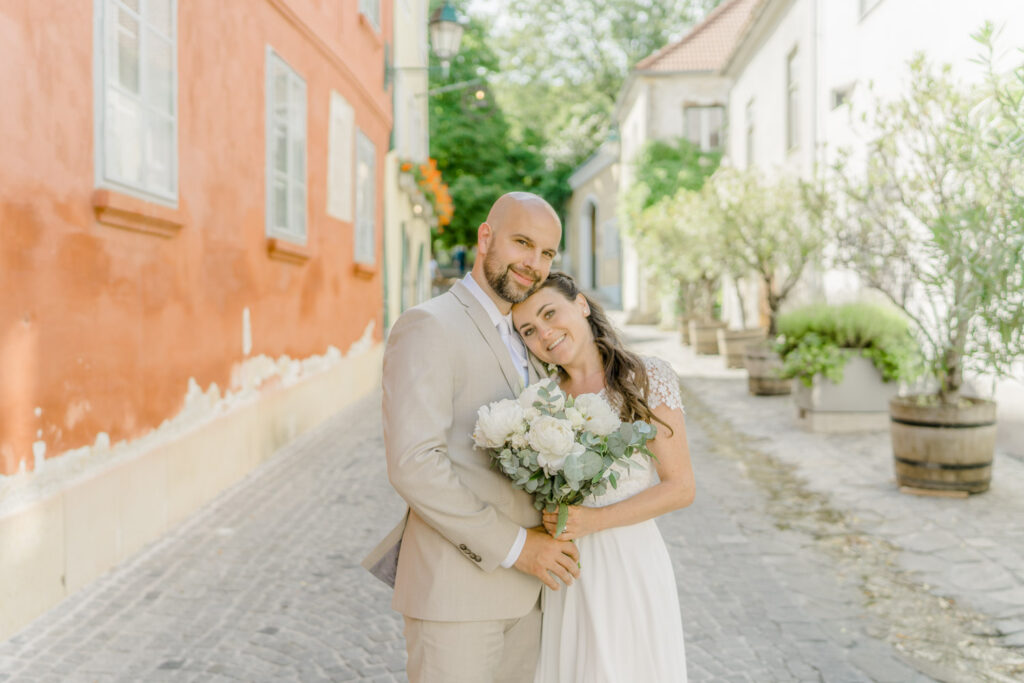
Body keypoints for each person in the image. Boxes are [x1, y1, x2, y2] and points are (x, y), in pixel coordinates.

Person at [362, 193, 581, 683]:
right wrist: (519, 547)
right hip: (458, 595)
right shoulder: (430, 325)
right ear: (486, 238)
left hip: (531, 596)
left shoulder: (529, 336)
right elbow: (414, 463)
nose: (534, 264)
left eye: (547, 253)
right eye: (523, 243)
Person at [511, 271, 696, 683]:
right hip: (567, 571)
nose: (545, 333)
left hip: (629, 562)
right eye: (529, 329)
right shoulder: (539, 398)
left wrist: (594, 520)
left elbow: (681, 487)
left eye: (549, 313)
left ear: (581, 304)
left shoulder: (646, 378)